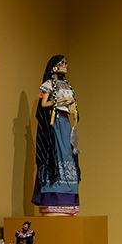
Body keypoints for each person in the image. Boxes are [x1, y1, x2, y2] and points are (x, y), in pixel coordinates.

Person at [32, 54, 79, 214]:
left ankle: (68, 193)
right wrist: (58, 102)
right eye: (61, 63)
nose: (64, 65)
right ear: (54, 66)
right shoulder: (48, 84)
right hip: (55, 122)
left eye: (65, 62)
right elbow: (44, 103)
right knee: (57, 153)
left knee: (67, 154)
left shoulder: (66, 85)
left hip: (65, 123)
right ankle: (53, 193)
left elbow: (71, 104)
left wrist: (72, 108)